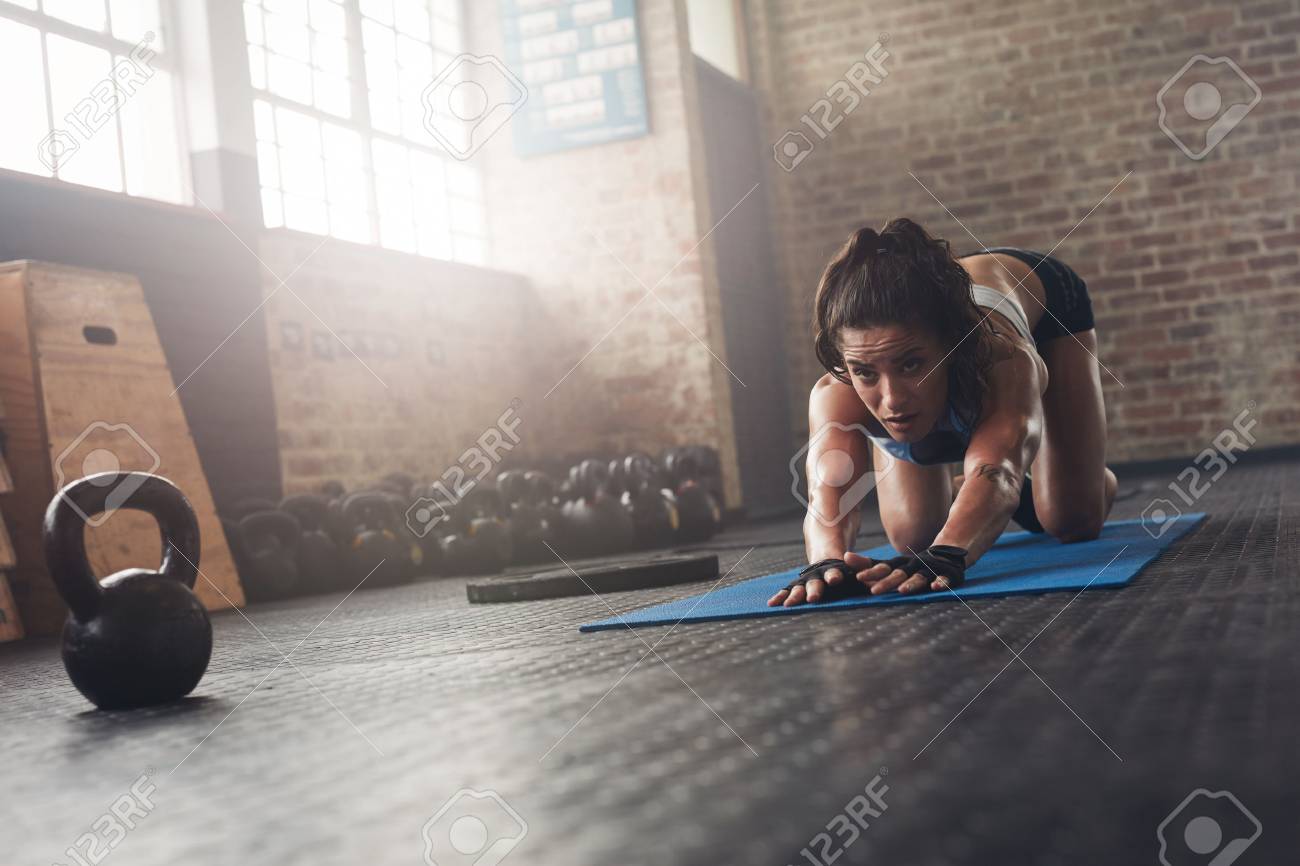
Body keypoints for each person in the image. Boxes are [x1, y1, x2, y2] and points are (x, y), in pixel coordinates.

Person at [770, 218, 1117, 607]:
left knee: (1071, 520)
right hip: (947, 337)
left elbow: (999, 469)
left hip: (1047, 304)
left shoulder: (1003, 360)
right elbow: (827, 493)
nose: (893, 400)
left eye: (911, 365)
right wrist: (826, 564)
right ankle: (969, 485)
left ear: (953, 346)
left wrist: (949, 554)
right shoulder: (836, 393)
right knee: (913, 539)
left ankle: (1082, 473)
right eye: (865, 372)